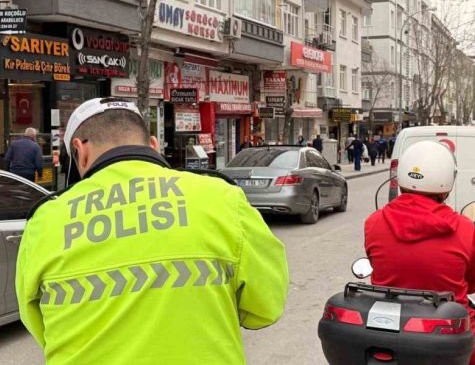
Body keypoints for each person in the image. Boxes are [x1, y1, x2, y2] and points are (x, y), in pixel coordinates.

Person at [16, 99, 289, 364]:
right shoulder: (222, 198)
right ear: (154, 146)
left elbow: (41, 327)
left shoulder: (46, 220)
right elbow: (266, 307)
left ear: (81, 151)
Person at [364, 141, 475, 365]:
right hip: (448, 331)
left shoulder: (373, 223)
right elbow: (473, 285)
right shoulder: (464, 227)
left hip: (389, 328)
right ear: (446, 182)